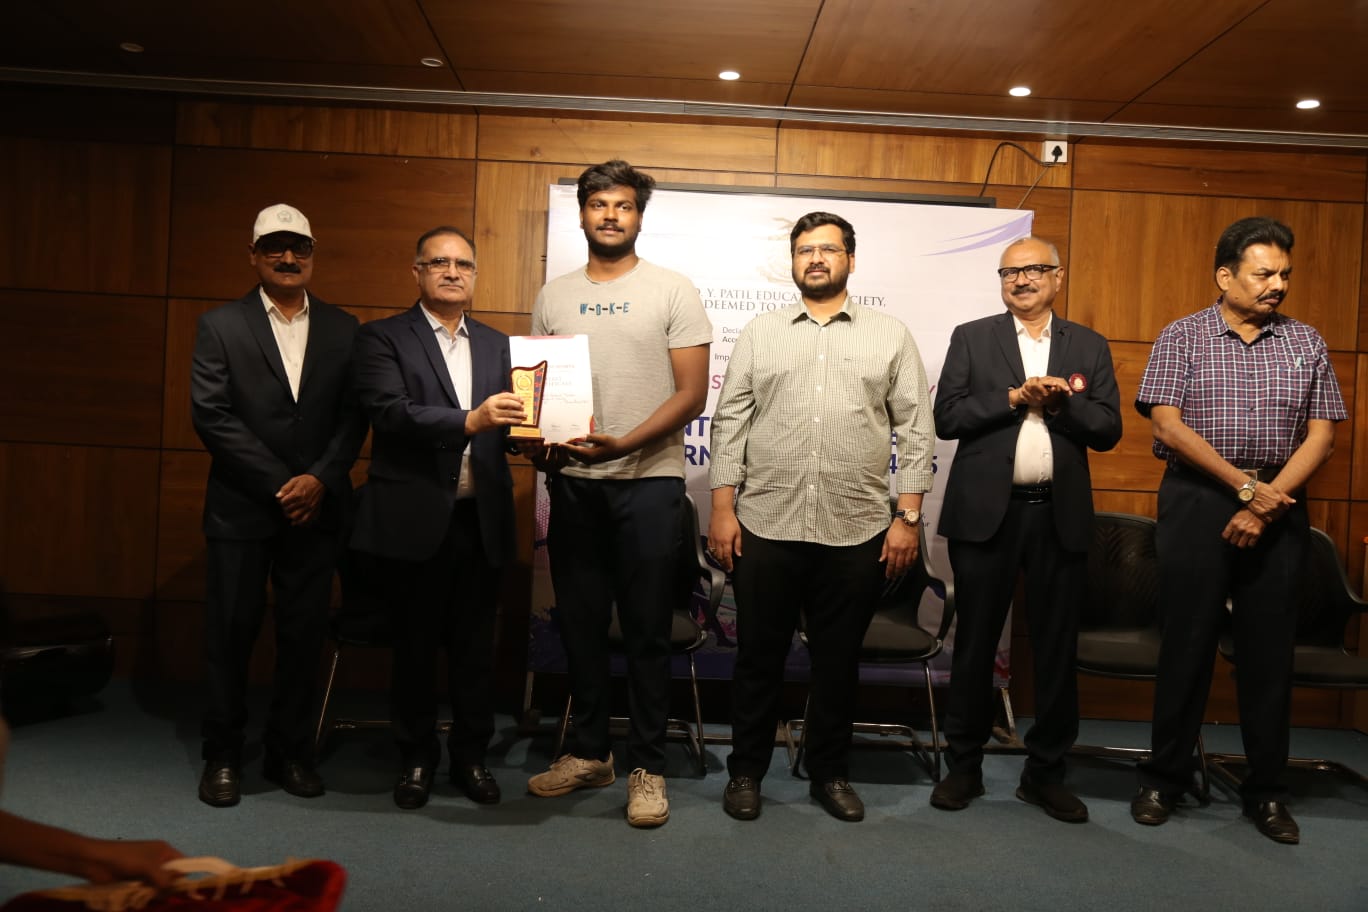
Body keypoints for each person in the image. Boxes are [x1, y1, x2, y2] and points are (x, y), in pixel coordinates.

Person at [708, 211, 934, 823]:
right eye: (805, 250)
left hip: (856, 529)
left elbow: (916, 430)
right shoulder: (761, 333)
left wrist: (908, 517)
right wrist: (722, 508)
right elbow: (729, 423)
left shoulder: (889, 335)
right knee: (758, 659)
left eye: (828, 249)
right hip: (765, 524)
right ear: (793, 261)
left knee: (837, 663)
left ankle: (829, 774)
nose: (816, 259)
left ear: (850, 260)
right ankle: (746, 773)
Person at [1132, 216, 1345, 844]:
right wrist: (1242, 489)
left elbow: (1322, 436)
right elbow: (1167, 426)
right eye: (1264, 273)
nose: (1278, 285)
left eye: (1285, 274)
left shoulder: (1306, 341)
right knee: (1187, 645)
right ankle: (1164, 779)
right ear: (1225, 276)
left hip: (1280, 503)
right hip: (1198, 500)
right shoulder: (1182, 335)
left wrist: (1265, 502)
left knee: (1268, 654)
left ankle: (1267, 792)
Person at [524, 160, 711, 828]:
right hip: (574, 486)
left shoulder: (672, 290)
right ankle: (589, 752)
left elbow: (692, 394)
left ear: (638, 216)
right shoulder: (554, 296)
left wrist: (625, 444)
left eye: (623, 205)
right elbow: (538, 389)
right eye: (599, 204)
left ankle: (647, 766)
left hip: (649, 485)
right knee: (579, 627)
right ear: (581, 213)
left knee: (646, 632)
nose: (610, 215)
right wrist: (537, 440)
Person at [931, 236, 1122, 822]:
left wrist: (1060, 404)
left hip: (1056, 517)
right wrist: (1015, 397)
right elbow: (947, 417)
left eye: (1035, 269)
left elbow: (1108, 429)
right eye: (1010, 271)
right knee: (974, 647)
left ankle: (1045, 775)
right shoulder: (972, 337)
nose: (1022, 279)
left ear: (1057, 277)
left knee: (1056, 650)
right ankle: (963, 767)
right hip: (986, 517)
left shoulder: (1087, 344)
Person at [190, 204, 366, 808]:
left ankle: (290, 751)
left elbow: (354, 417)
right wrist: (283, 483)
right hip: (241, 509)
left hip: (317, 511)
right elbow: (211, 415)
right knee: (230, 635)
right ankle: (222, 754)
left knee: (303, 636)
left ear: (313, 254)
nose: (288, 258)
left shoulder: (346, 328)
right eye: (274, 247)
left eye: (299, 248)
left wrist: (318, 480)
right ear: (254, 255)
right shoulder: (220, 325)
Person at [350, 227, 523, 810]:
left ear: (474, 275)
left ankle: (472, 757)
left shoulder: (500, 346)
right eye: (439, 263)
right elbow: (390, 412)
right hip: (415, 519)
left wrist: (547, 440)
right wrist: (470, 421)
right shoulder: (382, 338)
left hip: (482, 518)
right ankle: (417, 757)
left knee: (475, 650)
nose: (453, 272)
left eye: (463, 264)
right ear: (417, 272)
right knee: (416, 648)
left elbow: (516, 426)